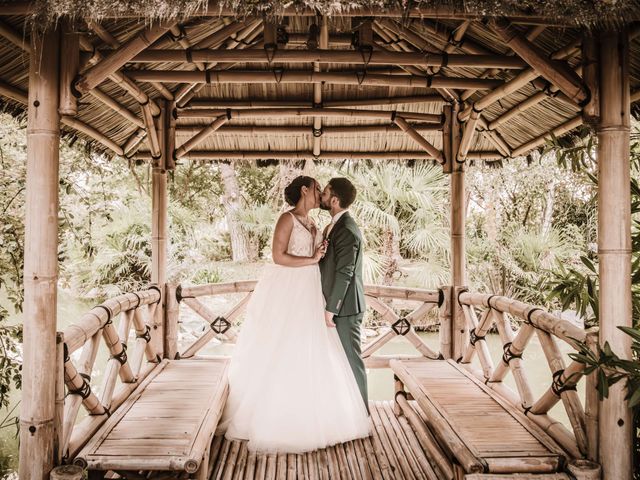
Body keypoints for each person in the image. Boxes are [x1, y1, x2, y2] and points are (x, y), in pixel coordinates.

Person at [219, 175, 371, 454]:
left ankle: (323, 410)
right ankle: (278, 412)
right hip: (289, 289)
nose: (320, 194)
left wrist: (319, 255)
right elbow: (278, 256)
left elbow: (337, 265)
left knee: (312, 351)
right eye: (316, 188)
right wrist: (313, 258)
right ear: (304, 190)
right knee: (282, 346)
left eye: (323, 191)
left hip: (313, 292)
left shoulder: (319, 225)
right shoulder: (286, 219)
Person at [318, 178, 369, 413]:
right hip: (338, 305)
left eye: (326, 192)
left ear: (335, 200)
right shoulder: (335, 225)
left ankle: (362, 412)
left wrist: (332, 308)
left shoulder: (346, 230)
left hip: (346, 308)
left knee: (351, 360)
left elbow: (345, 272)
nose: (322, 196)